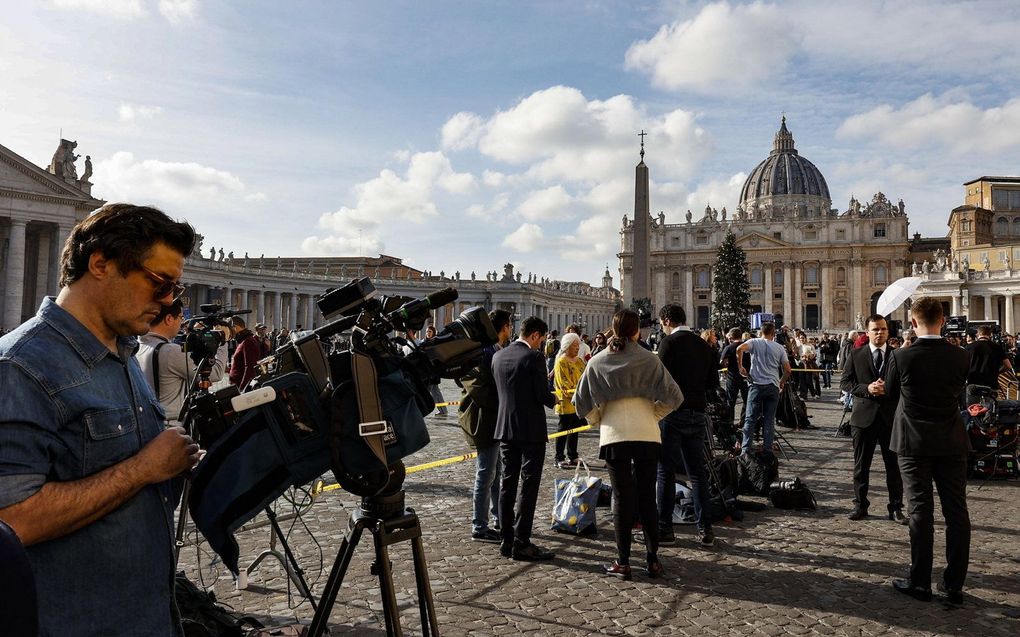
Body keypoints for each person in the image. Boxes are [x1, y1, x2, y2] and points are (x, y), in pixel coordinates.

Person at [0, 203, 201, 634]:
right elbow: (11, 521)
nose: (169, 301)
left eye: (175, 290)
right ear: (101, 264)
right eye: (161, 283)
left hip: (145, 614)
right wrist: (145, 469)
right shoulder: (18, 367)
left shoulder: (123, 353)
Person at [573, 309, 684, 579]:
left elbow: (580, 401)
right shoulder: (650, 359)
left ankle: (622, 561)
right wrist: (654, 414)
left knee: (621, 498)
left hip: (615, 436)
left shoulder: (598, 361)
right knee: (647, 497)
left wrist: (597, 418)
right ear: (637, 331)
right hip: (647, 434)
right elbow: (674, 397)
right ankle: (653, 559)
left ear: (613, 329)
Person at [883, 297, 971, 605]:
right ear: (943, 320)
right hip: (951, 441)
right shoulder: (961, 356)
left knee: (920, 512)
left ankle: (920, 582)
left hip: (913, 442)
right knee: (956, 512)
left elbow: (891, 394)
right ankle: (955, 583)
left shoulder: (901, 357)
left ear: (912, 322)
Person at [493, 316, 557, 561]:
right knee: (528, 486)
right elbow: (542, 394)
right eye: (540, 340)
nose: (541, 345)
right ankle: (522, 541)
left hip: (505, 429)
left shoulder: (498, 356)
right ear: (535, 335)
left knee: (506, 484)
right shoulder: (534, 357)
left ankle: (506, 539)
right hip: (530, 431)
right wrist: (556, 400)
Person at [656, 304, 719, 547]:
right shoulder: (703, 345)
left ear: (667, 320)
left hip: (673, 413)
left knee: (666, 471)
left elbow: (659, 380)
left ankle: (665, 529)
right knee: (698, 473)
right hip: (698, 413)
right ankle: (706, 529)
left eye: (662, 323)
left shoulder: (668, 344)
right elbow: (713, 381)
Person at [839, 315, 905, 523]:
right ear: (866, 332)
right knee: (861, 465)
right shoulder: (856, 354)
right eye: (875, 329)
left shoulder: (897, 355)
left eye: (883, 329)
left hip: (890, 417)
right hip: (863, 417)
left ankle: (895, 507)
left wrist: (889, 388)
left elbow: (904, 385)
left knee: (893, 466)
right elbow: (845, 382)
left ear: (888, 332)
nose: (880, 333)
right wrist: (866, 388)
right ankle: (860, 504)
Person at [456, 310, 513, 543]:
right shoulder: (482, 352)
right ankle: (479, 527)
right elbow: (478, 388)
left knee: (495, 472)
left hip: (493, 419)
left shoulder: (493, 350)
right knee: (485, 474)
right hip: (484, 421)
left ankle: (498, 518)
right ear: (505, 327)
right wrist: (503, 402)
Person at [136, 300, 229, 425]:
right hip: (169, 426)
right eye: (180, 317)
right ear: (169, 319)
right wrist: (223, 340)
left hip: (150, 422)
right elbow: (216, 373)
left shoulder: (139, 345)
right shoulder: (170, 352)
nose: (181, 321)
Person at [736, 322, 792, 457]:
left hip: (756, 385)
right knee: (769, 420)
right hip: (773, 386)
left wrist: (740, 367)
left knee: (750, 419)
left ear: (761, 332)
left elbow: (739, 349)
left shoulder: (754, 342)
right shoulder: (779, 348)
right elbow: (788, 370)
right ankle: (767, 450)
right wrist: (781, 382)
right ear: (773, 334)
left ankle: (745, 451)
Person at [552, 332, 587, 468]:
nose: (577, 348)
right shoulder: (561, 361)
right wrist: (578, 390)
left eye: (578, 345)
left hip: (577, 402)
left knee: (575, 430)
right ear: (567, 346)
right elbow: (564, 383)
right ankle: (559, 457)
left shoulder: (579, 361)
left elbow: (585, 376)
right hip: (566, 403)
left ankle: (573, 455)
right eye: (574, 345)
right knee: (563, 430)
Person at [965, 325, 1013, 404]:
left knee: (973, 410)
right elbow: (1008, 366)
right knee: (990, 410)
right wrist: (997, 372)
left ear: (978, 334)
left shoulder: (969, 347)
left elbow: (963, 365)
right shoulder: (997, 347)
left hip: (973, 384)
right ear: (990, 335)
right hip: (991, 384)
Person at [228, 315, 261, 390]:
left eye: (229, 330)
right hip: (236, 385)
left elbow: (250, 367)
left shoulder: (248, 341)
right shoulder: (244, 340)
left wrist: (242, 389)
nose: (229, 334)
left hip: (239, 387)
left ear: (235, 327)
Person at [424, 325, 448, 416]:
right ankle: (443, 411)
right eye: (427, 331)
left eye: (429, 332)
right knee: (435, 391)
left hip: (433, 371)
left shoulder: (435, 342)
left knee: (432, 391)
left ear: (433, 332)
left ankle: (441, 410)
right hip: (428, 371)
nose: (427, 333)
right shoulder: (425, 342)